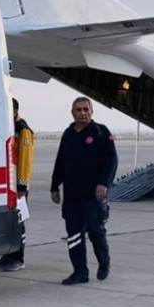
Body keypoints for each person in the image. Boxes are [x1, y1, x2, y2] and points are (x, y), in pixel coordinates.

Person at [50, 96, 118, 285]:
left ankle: (104, 262)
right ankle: (80, 272)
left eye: (86, 109)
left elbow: (112, 160)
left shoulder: (100, 132)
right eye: (78, 110)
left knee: (95, 230)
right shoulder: (68, 134)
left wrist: (104, 183)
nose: (82, 113)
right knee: (74, 234)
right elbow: (60, 162)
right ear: (72, 113)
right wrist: (55, 186)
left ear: (92, 111)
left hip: (93, 195)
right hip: (72, 196)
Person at [0, 97, 34, 271]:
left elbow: (25, 161)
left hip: (18, 186)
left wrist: (22, 187)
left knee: (18, 222)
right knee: (8, 221)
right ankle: (8, 255)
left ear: (14, 111)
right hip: (8, 184)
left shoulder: (23, 130)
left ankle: (18, 257)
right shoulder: (9, 128)